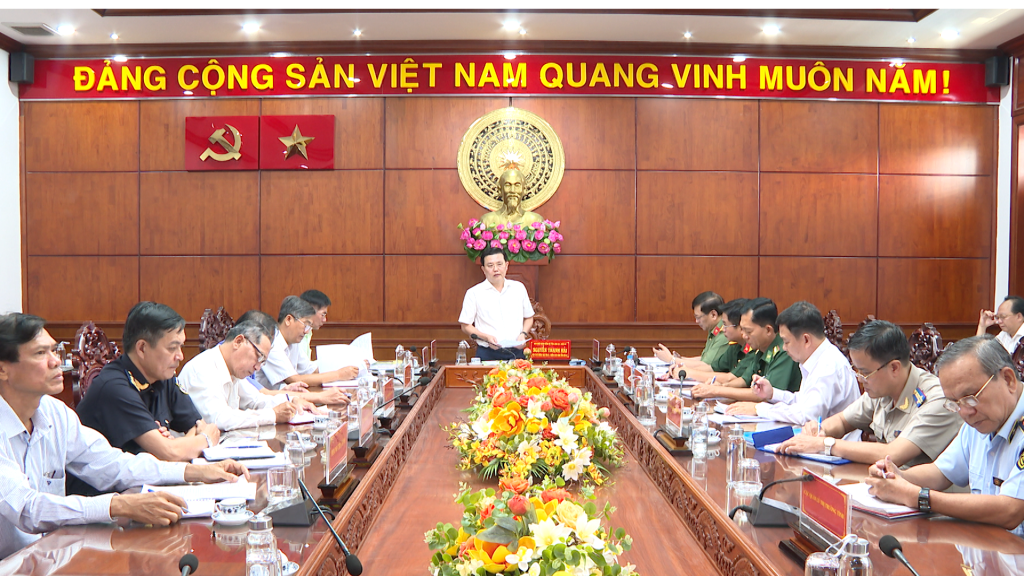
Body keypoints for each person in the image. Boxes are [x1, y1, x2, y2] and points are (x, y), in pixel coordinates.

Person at [0, 313, 249, 560]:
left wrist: (195, 472)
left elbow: (112, 463)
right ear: (3, 369)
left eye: (54, 351)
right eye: (40, 353)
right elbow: (27, 509)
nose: (56, 361)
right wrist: (118, 505)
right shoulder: (113, 385)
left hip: (52, 553)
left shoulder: (54, 413)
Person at [865, 336, 1024, 536]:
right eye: (955, 403)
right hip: (987, 543)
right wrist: (896, 477)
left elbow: (1010, 511)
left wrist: (919, 497)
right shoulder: (982, 419)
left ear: (1008, 379)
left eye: (971, 398)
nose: (965, 412)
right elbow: (940, 473)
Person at [777, 320, 963, 467]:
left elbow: (893, 454)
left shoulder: (936, 400)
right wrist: (819, 431)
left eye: (865, 373)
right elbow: (842, 420)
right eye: (857, 371)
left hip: (929, 499)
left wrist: (826, 444)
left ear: (894, 368)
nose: (860, 379)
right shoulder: (882, 389)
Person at [726, 301, 859, 423]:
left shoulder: (828, 366)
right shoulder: (817, 359)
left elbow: (808, 416)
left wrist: (759, 409)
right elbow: (802, 402)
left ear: (806, 340)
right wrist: (772, 394)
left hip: (832, 441)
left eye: (786, 341)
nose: (784, 347)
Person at [179, 321, 316, 431]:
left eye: (262, 362)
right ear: (238, 341)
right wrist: (273, 415)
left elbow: (256, 400)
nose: (257, 367)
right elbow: (220, 420)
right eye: (258, 357)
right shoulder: (203, 369)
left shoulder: (233, 369)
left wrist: (291, 401)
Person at [255, 297, 360, 390]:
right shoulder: (271, 342)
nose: (306, 331)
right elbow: (294, 379)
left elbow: (311, 370)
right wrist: (338, 375)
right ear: (288, 320)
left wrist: (349, 367)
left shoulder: (293, 342)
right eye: (305, 325)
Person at [459, 245, 534, 361]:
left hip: (516, 352)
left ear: (506, 265)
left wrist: (523, 334)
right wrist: (486, 337)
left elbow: (529, 317)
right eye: (490, 265)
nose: (495, 269)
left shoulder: (518, 288)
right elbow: (465, 326)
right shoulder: (474, 293)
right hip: (487, 353)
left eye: (499, 264)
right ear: (483, 269)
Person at [654, 291, 728, 372]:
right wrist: (681, 359)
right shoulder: (714, 329)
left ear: (713, 315)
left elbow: (707, 366)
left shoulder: (725, 333)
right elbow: (704, 359)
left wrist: (671, 359)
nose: (696, 321)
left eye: (698, 317)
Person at [298, 289, 331, 361]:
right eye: (323, 315)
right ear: (310, 310)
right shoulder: (296, 334)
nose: (324, 320)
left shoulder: (308, 331)